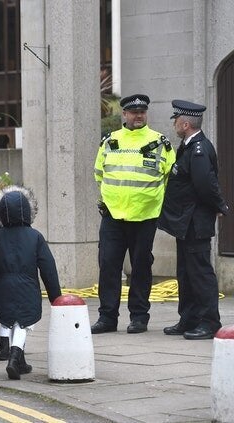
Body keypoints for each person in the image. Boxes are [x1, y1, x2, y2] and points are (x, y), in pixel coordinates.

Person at [91, 94, 176, 334]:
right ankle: (107, 317)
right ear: (124, 115)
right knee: (108, 266)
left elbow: (170, 176)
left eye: (142, 112)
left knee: (140, 266)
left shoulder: (159, 142)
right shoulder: (110, 141)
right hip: (113, 217)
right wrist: (109, 200)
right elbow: (99, 174)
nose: (138, 115)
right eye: (133, 112)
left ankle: (139, 317)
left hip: (145, 216)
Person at [158, 100, 229, 340]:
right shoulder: (188, 146)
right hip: (185, 222)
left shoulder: (198, 149)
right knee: (185, 273)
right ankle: (188, 318)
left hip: (195, 222)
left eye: (176, 120)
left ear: (185, 123)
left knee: (199, 273)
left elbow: (205, 185)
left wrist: (219, 206)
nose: (175, 124)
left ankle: (209, 322)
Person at [0, 186, 62, 379]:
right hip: (27, 287)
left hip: (4, 288)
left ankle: (18, 360)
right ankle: (15, 358)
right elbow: (48, 267)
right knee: (23, 324)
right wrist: (55, 296)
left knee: (10, 319)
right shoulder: (35, 237)